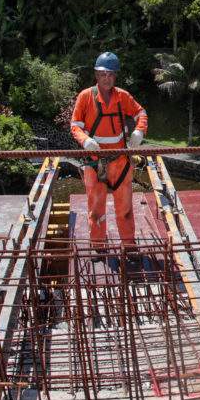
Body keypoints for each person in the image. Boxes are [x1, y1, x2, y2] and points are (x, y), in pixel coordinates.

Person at [70, 52, 148, 261]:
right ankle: (98, 247)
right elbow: (76, 125)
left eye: (111, 75)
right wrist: (85, 141)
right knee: (96, 209)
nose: (107, 78)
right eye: (103, 74)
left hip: (120, 162)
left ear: (115, 77)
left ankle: (129, 246)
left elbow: (141, 113)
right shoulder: (85, 97)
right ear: (96, 74)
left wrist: (139, 131)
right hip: (95, 163)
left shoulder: (123, 97)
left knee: (125, 209)